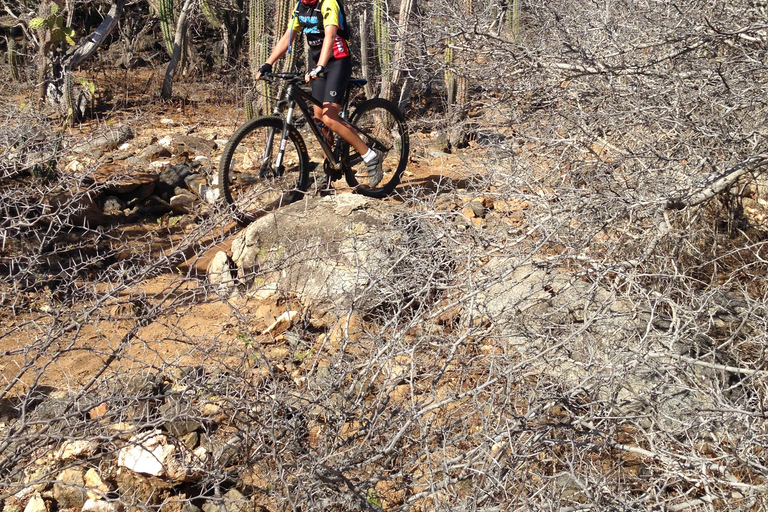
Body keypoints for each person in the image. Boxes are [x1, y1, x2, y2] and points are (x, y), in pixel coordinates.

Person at [254, 0, 383, 187]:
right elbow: (287, 37)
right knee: (319, 119)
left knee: (329, 117)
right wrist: (268, 63)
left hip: (337, 61)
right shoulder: (300, 7)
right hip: (317, 62)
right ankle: (331, 168)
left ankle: (370, 156)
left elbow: (330, 36)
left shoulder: (328, 3)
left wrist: (321, 66)